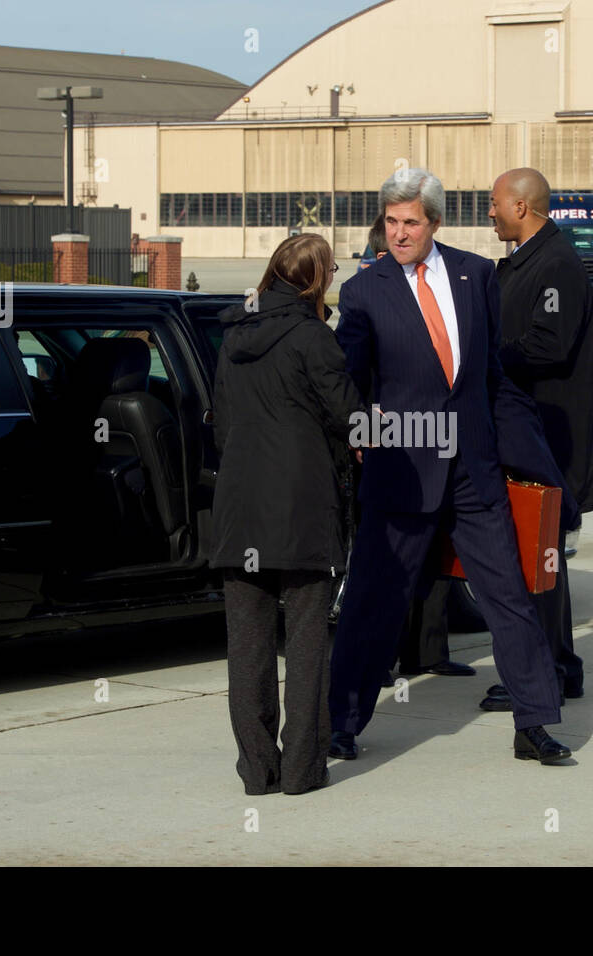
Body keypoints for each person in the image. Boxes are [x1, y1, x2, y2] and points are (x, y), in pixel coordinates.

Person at [327, 167, 572, 765]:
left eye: (411, 222)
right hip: (401, 472)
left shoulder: (474, 275)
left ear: (434, 222)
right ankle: (342, 723)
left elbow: (490, 377)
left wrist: (533, 459)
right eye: (390, 221)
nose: (399, 233)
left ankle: (534, 721)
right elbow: (349, 384)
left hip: (473, 470)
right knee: (373, 605)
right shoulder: (364, 291)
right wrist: (361, 432)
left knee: (508, 599)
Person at [210, 234, 364, 795]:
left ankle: (257, 770)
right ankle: (301, 770)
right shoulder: (313, 337)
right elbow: (351, 419)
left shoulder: (232, 337)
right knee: (305, 645)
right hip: (303, 508)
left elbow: (223, 427)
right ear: (315, 278)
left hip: (239, 507)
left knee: (245, 647)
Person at [480, 167, 593, 712]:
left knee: (535, 555)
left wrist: (484, 362)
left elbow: (547, 347)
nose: (490, 212)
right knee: (539, 556)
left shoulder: (555, 264)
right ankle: (556, 666)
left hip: (545, 437)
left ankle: (544, 670)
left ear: (521, 207)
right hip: (527, 434)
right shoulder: (526, 262)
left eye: (494, 204)